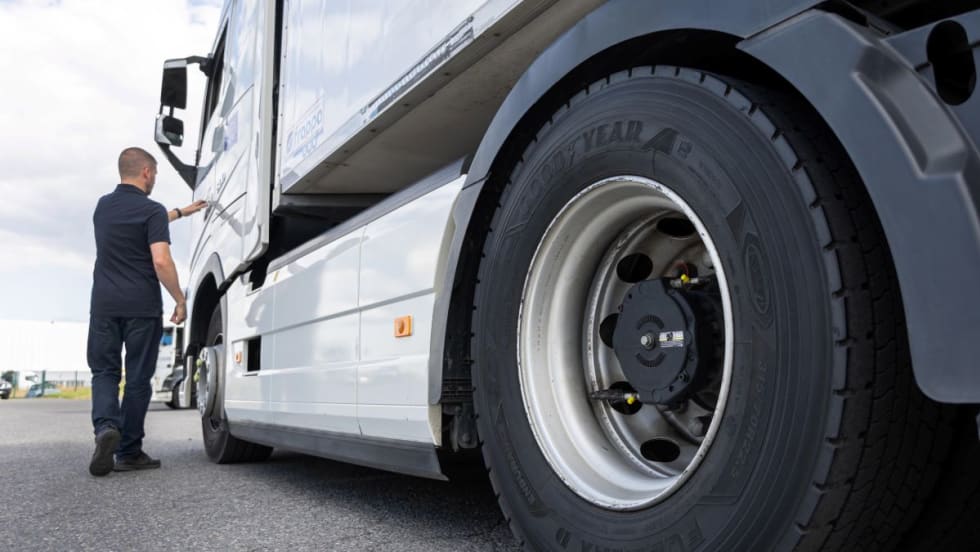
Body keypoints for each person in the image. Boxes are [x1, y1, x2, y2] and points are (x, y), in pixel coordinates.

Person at [87, 147, 206, 476]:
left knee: (105, 372)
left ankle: (106, 428)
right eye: (154, 173)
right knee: (138, 379)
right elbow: (161, 260)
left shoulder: (103, 207)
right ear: (146, 172)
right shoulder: (151, 211)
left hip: (104, 306)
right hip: (142, 306)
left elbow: (139, 221)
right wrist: (180, 299)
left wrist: (180, 212)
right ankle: (128, 451)